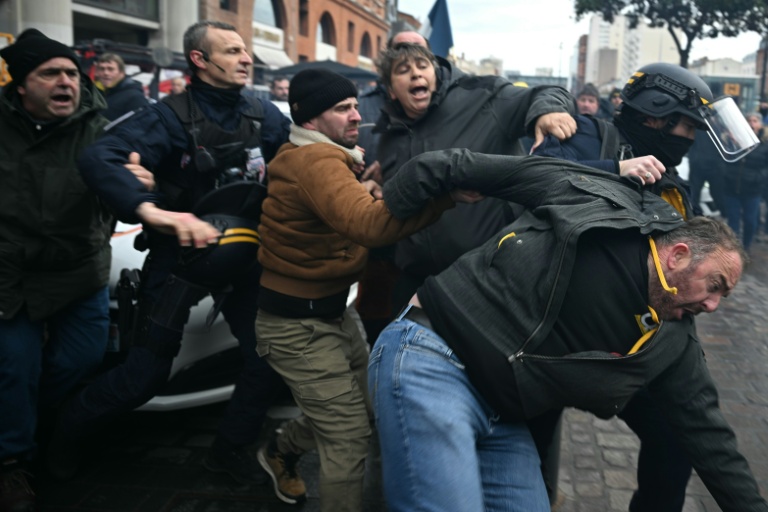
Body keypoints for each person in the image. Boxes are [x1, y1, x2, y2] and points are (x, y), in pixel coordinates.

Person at [370, 149, 766, 512]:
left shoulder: (673, 343)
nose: (712, 305)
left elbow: (710, 437)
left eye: (723, 298)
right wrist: (384, 215)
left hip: (503, 417)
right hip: (433, 353)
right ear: (678, 255)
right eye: (714, 286)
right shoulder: (597, 201)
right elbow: (464, 166)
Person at [47, 20, 291, 487]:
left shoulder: (265, 114)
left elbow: (300, 160)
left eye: (246, 51)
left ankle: (228, 451)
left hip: (244, 257)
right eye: (234, 50)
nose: (247, 58)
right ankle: (64, 435)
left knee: (268, 361)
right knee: (145, 375)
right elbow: (101, 157)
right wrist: (154, 212)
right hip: (179, 261)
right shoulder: (165, 118)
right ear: (199, 60)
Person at [532, 62, 762, 512]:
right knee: (530, 456)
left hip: (629, 341)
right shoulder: (585, 133)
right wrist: (617, 169)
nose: (691, 138)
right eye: (686, 125)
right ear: (655, 115)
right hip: (549, 332)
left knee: (675, 439)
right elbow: (536, 175)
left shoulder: (673, 181)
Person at [253, 68, 476, 511]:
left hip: (332, 314)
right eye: (342, 108)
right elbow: (370, 226)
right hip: (297, 326)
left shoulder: (321, 153)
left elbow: (345, 213)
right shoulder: (315, 161)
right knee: (349, 437)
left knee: (365, 411)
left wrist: (366, 188)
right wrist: (445, 196)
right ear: (310, 119)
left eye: (355, 104)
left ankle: (281, 447)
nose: (357, 115)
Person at [374, 42, 576, 311]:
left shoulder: (481, 96)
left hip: (488, 277)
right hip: (416, 283)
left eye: (422, 66)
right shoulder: (388, 133)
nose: (415, 74)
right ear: (390, 90)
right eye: (403, 70)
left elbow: (549, 92)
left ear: (434, 74)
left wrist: (547, 111)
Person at [0, 28, 112, 512]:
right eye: (50, 73)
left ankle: (42, 425)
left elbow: (126, 198)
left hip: (78, 271)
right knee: (15, 366)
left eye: (71, 72)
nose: (65, 81)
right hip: (11, 276)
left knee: (81, 359)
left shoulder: (100, 128)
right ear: (22, 85)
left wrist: (143, 186)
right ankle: (11, 463)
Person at [722, 112, 768, 251]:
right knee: (733, 221)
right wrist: (731, 142)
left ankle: (746, 247)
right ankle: (734, 250)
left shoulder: (765, 143)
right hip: (732, 187)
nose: (752, 123)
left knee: (750, 221)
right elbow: (724, 158)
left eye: (755, 121)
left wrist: (759, 177)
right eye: (749, 120)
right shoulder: (734, 139)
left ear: (760, 124)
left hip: (752, 190)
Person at [93, 52, 148, 121]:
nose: (105, 73)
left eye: (110, 69)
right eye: (102, 69)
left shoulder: (135, 97)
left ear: (122, 72)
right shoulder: (98, 94)